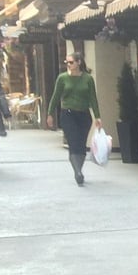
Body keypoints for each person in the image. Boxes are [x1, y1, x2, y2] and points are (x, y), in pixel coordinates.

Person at [45, 52, 103, 186]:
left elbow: (93, 98)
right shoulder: (62, 78)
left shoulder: (88, 79)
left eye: (71, 62)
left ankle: (79, 168)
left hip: (83, 115)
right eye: (67, 63)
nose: (68, 65)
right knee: (73, 142)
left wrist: (97, 116)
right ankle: (77, 172)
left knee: (81, 144)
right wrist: (50, 113)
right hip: (68, 114)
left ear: (79, 63)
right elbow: (55, 96)